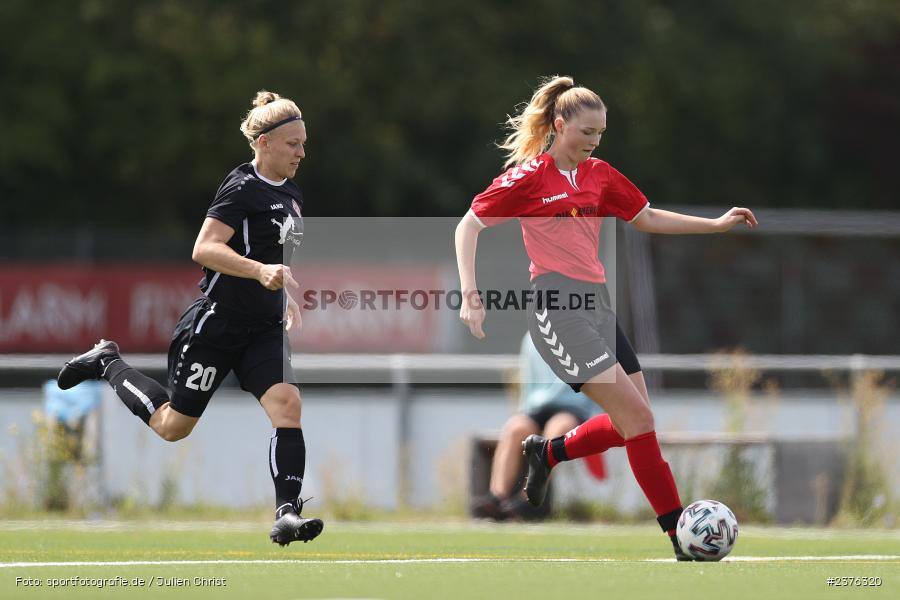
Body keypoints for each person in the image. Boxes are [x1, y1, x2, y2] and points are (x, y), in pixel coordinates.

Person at [455, 76, 757, 560]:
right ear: (559, 126)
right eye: (585, 132)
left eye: (599, 134)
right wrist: (470, 293)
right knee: (637, 419)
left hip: (598, 306)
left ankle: (548, 452)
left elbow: (647, 217)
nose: (593, 142)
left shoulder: (600, 174)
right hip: (557, 308)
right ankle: (678, 533)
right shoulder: (529, 177)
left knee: (635, 422)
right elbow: (469, 224)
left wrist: (715, 224)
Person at [57, 90, 323, 547]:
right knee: (172, 427)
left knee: (288, 406)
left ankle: (286, 513)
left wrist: (283, 294)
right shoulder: (241, 188)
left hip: (261, 329)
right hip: (216, 326)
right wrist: (261, 271)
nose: (302, 152)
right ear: (262, 143)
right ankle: (107, 361)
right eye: (292, 143)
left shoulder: (293, 193)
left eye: (303, 143)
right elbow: (204, 248)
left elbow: (273, 257)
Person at [472, 333, 600, 521]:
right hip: (537, 407)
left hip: (576, 407)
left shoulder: (584, 330)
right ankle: (497, 498)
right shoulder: (531, 338)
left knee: (556, 429)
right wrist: (525, 412)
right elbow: (529, 379)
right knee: (515, 427)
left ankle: (529, 499)